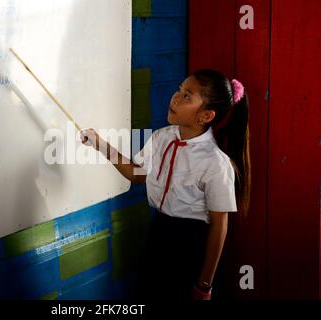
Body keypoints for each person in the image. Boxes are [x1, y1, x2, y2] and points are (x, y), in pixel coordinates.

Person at [79, 69, 251, 300]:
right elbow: (138, 174)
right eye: (179, 90)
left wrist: (204, 285)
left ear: (206, 116)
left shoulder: (215, 163)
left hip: (191, 244)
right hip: (159, 232)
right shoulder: (162, 137)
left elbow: (220, 226)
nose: (176, 97)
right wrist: (100, 144)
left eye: (187, 96)